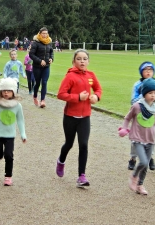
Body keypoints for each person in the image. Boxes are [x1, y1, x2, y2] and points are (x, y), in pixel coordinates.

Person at [56, 49, 102, 188]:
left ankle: (81, 176)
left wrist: (96, 97)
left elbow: (98, 89)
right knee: (69, 144)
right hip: (70, 116)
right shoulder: (70, 76)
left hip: (85, 117)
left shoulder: (91, 75)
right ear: (74, 61)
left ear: (88, 61)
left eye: (84, 59)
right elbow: (61, 94)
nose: (82, 61)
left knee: (83, 145)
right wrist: (77, 98)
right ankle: (61, 161)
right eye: (79, 59)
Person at [118, 78, 155, 195]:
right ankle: (134, 176)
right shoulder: (137, 106)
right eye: (150, 93)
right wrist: (124, 128)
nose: (153, 96)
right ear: (144, 93)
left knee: (146, 165)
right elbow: (127, 118)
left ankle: (140, 185)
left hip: (150, 140)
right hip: (137, 138)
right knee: (143, 161)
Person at [0, 77, 27, 186]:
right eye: (4, 90)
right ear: (1, 91)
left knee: (9, 155)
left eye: (9, 90)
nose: (6, 93)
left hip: (10, 135)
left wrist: (23, 134)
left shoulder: (17, 106)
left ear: (13, 91)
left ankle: (8, 176)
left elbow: (20, 120)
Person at [128, 61, 155, 171]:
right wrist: (142, 96)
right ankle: (133, 158)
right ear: (141, 72)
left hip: (151, 113)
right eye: (146, 70)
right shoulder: (137, 84)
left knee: (151, 136)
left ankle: (150, 157)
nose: (148, 72)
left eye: (150, 70)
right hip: (139, 112)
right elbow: (133, 100)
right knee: (136, 136)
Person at [29, 27, 54, 108]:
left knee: (44, 82)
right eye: (43, 33)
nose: (45, 35)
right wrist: (39, 61)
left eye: (46, 33)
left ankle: (43, 100)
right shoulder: (35, 43)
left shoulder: (49, 42)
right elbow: (31, 54)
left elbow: (51, 52)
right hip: (37, 66)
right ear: (39, 34)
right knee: (38, 83)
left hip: (46, 66)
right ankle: (35, 96)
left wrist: (51, 59)